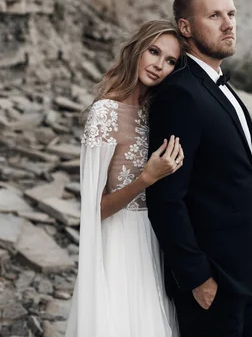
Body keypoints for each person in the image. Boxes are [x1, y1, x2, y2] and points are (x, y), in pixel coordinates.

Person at [147, 0, 252, 337]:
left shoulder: (219, 87)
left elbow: (240, 179)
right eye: (214, 16)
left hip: (249, 269)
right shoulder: (179, 94)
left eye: (231, 14)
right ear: (186, 27)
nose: (228, 24)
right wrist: (196, 278)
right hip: (213, 282)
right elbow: (166, 196)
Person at [65, 20, 184, 336]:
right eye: (154, 52)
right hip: (119, 242)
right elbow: (96, 209)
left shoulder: (156, 112)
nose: (159, 66)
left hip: (156, 238)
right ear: (137, 50)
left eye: (170, 61)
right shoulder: (105, 112)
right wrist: (146, 178)